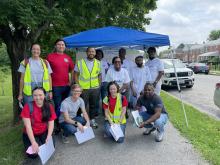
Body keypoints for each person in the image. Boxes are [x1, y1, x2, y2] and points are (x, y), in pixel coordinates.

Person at [47, 39, 74, 133]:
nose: (61, 46)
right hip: (55, 87)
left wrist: (71, 81)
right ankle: (57, 124)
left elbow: (72, 70)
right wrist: (49, 88)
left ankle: (65, 121)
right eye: (59, 44)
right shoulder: (50, 57)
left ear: (65, 47)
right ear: (55, 46)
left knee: (65, 105)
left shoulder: (68, 57)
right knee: (58, 106)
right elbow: (47, 72)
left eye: (62, 45)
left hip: (66, 86)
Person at [20, 87, 56, 158]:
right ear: (32, 96)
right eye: (35, 95)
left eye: (40, 95)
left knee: (50, 148)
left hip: (44, 131)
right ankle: (33, 143)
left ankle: (40, 142)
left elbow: (51, 123)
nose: (38, 97)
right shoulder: (27, 106)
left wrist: (49, 136)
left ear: (44, 95)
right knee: (33, 154)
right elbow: (28, 127)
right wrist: (33, 142)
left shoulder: (49, 106)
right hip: (31, 133)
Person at [74, 47, 101, 128]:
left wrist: (99, 85)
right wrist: (78, 86)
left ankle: (92, 119)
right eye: (89, 51)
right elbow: (75, 74)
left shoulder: (98, 63)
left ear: (95, 53)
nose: (91, 53)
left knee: (93, 105)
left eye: (93, 51)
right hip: (83, 89)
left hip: (95, 88)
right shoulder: (80, 62)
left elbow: (99, 75)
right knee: (82, 105)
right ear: (86, 52)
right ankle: (80, 120)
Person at [95, 49, 110, 115]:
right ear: (95, 55)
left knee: (105, 98)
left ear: (102, 55)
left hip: (105, 83)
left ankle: (105, 112)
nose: (99, 55)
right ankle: (97, 112)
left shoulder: (105, 62)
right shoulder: (93, 62)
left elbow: (107, 72)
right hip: (96, 83)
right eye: (97, 54)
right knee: (96, 98)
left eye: (100, 54)